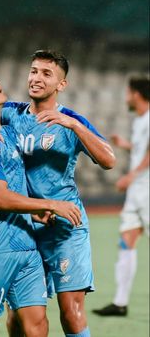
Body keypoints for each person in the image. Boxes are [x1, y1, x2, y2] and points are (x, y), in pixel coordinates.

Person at [0, 50, 116, 337]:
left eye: (46, 74)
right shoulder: (10, 115)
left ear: (61, 85)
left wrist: (73, 125)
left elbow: (109, 160)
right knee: (17, 316)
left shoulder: (71, 120)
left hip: (64, 226)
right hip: (23, 227)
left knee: (68, 311)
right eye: (34, 70)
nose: (36, 78)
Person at [92, 74, 149, 317]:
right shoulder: (140, 120)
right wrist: (126, 145)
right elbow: (143, 148)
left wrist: (131, 176)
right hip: (138, 192)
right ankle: (120, 302)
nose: (126, 97)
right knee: (126, 242)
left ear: (136, 94)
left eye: (128, 93)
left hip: (147, 189)